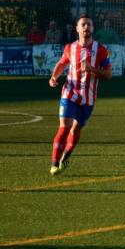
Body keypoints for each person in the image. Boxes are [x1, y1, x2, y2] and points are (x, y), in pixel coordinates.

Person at [48, 14, 112, 176]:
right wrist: (54, 77)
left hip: (88, 99)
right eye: (83, 24)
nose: (86, 27)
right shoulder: (70, 48)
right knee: (64, 128)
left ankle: (66, 155)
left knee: (76, 130)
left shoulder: (101, 50)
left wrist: (92, 69)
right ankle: (54, 164)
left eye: (89, 24)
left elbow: (108, 74)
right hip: (70, 93)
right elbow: (62, 63)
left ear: (93, 28)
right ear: (77, 28)